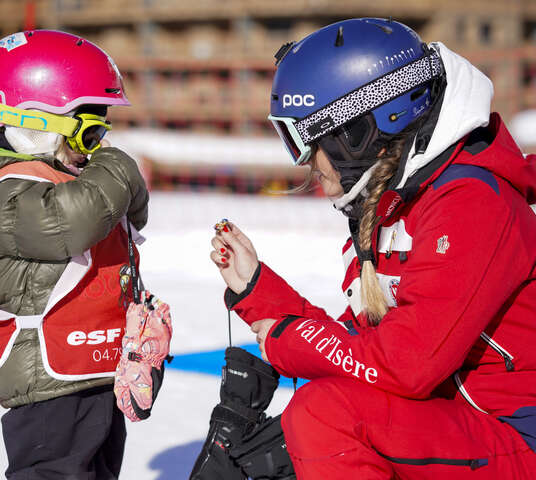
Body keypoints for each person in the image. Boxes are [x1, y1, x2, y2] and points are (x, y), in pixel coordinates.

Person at [210, 18, 536, 479]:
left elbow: (405, 366)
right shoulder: (396, 208)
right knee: (313, 423)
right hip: (469, 428)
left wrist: (288, 337)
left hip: (516, 434)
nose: (303, 161)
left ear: (358, 132)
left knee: (324, 415)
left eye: (303, 139)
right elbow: (362, 349)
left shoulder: (471, 203)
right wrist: (259, 293)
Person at [0, 30, 149, 479]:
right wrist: (119, 167)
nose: (97, 149)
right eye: (89, 134)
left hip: (89, 371)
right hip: (45, 385)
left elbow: (134, 212)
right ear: (34, 123)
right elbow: (69, 223)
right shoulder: (1, 195)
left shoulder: (62, 177)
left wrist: (115, 172)